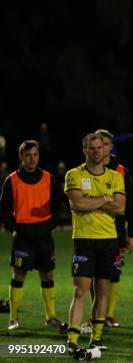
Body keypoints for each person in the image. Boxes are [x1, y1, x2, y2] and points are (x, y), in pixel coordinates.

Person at [63, 133, 125, 354]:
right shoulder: (73, 175)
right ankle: (72, 339)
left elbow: (120, 208)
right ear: (84, 151)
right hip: (84, 240)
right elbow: (78, 204)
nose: (97, 151)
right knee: (80, 291)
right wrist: (105, 199)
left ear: (105, 150)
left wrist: (91, 201)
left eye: (100, 148)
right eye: (92, 148)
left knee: (102, 290)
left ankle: (96, 338)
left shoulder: (116, 177)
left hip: (109, 240)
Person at [0, 140, 63, 330]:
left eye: (35, 155)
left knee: (47, 273)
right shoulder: (11, 180)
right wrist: (17, 228)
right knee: (18, 274)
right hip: (23, 237)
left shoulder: (48, 178)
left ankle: (51, 317)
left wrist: (50, 225)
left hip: (44, 236)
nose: (32, 159)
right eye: (28, 155)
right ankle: (13, 318)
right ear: (21, 157)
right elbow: (3, 210)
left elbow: (58, 206)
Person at [94, 129, 133, 328]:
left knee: (113, 273)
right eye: (98, 143)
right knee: (91, 275)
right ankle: (96, 314)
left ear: (111, 147)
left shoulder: (121, 171)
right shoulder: (86, 170)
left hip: (115, 232)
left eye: (105, 144)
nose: (101, 148)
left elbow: (132, 205)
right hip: (91, 231)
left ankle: (108, 315)